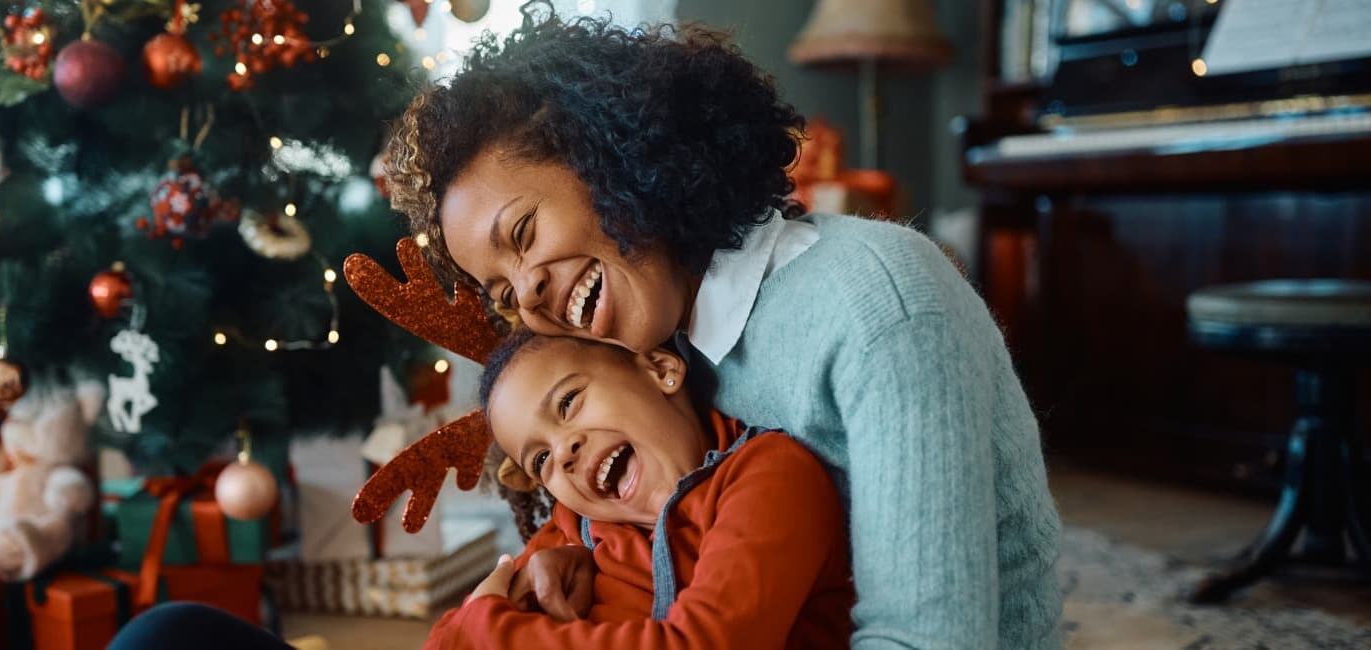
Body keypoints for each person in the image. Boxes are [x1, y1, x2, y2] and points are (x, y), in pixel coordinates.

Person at [383, 4, 1064, 648]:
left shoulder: (877, 307)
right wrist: (561, 551)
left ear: (604, 155)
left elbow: (930, 639)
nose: (528, 292)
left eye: (524, 232)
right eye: (501, 291)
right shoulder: (656, 343)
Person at [429, 331, 854, 648]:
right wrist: (519, 586)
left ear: (660, 369)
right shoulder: (575, 533)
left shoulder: (771, 476)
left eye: (568, 402)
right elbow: (445, 639)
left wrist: (489, 625)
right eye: (540, 461)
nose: (563, 452)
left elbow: (708, 642)